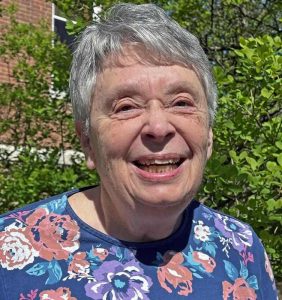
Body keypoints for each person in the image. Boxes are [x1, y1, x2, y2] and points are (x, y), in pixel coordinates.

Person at [0, 3, 277, 300]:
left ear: (208, 134)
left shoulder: (241, 248)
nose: (158, 127)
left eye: (181, 102)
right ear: (87, 141)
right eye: (126, 107)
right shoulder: (9, 257)